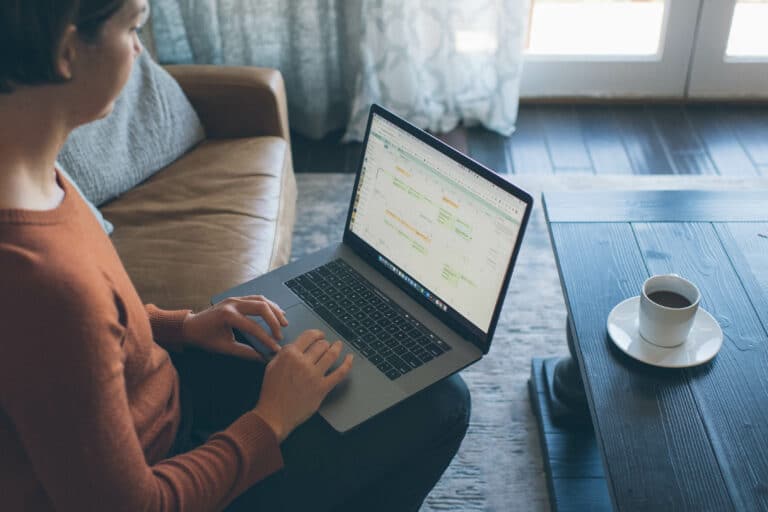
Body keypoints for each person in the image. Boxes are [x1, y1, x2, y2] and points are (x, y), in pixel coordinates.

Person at [0, 1, 471, 510]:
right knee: (442, 405)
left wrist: (182, 326)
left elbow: (89, 345)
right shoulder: (44, 284)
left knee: (341, 363)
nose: (139, 49)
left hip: (160, 405)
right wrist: (271, 420)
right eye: (133, 28)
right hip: (169, 471)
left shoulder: (32, 169)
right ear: (68, 50)